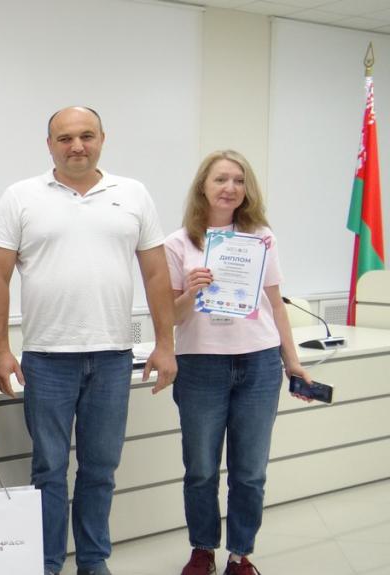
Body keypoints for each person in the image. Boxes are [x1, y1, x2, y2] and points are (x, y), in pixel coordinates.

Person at [0, 106, 177, 575]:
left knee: (100, 469)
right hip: (46, 359)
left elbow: (156, 274)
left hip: (112, 357)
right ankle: (47, 564)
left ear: (102, 139)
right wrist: (1, 349)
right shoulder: (20, 196)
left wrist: (165, 343)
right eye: (65, 138)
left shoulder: (133, 194)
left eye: (86, 136)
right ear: (49, 144)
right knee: (48, 469)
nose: (77, 146)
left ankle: (92, 562)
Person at [165, 150, 311, 575]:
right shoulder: (178, 243)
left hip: (259, 363)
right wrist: (191, 291)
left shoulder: (261, 238)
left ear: (247, 190)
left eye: (239, 180)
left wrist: (292, 362)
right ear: (203, 187)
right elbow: (169, 316)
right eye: (221, 179)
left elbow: (275, 305)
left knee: (249, 471)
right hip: (200, 366)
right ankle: (202, 550)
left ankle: (240, 554)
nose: (230, 188)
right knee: (201, 469)